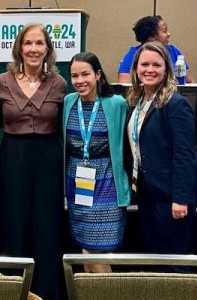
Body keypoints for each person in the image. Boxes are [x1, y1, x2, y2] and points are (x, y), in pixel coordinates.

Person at [0, 23, 66, 300]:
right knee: (13, 221)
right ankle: (15, 288)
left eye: (39, 43)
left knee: (46, 224)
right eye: (28, 43)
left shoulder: (59, 83)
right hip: (13, 156)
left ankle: (46, 291)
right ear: (19, 48)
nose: (34, 49)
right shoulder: (3, 81)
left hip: (48, 158)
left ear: (47, 49)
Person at [125, 41, 197, 257]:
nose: (150, 70)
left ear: (166, 68)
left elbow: (185, 155)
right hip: (149, 192)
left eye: (156, 65)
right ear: (136, 68)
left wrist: (180, 198)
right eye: (144, 64)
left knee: (172, 259)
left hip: (171, 196)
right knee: (154, 255)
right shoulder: (138, 100)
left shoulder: (175, 104)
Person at [63, 52, 130, 272]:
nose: (79, 81)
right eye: (74, 76)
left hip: (106, 182)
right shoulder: (69, 102)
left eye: (85, 74)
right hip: (78, 181)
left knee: (97, 249)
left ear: (98, 74)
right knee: (85, 247)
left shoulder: (116, 103)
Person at [117, 15, 193, 83]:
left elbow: (189, 81)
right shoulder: (133, 54)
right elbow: (125, 84)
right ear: (151, 37)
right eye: (164, 31)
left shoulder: (173, 51)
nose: (169, 34)